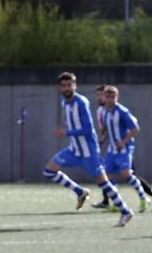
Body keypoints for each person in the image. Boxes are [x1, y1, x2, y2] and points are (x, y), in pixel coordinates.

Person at [42, 72, 134, 226]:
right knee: (49, 171)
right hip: (74, 150)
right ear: (60, 87)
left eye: (69, 85)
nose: (66, 88)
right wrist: (67, 130)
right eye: (63, 85)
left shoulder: (81, 102)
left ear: (75, 85)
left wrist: (67, 132)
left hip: (89, 152)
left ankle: (126, 211)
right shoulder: (64, 101)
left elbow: (88, 129)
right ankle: (80, 191)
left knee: (103, 183)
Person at [101, 85, 152, 212]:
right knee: (107, 176)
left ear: (117, 97)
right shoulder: (105, 111)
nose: (110, 99)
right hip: (112, 149)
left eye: (113, 97)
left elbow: (135, 128)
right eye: (108, 97)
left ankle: (143, 198)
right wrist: (102, 138)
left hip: (124, 149)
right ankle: (116, 203)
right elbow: (107, 128)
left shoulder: (122, 111)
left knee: (126, 174)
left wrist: (124, 141)